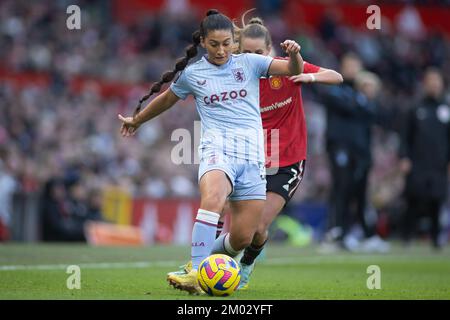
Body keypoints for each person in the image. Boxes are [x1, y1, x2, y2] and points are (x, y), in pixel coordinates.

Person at [118, 9, 304, 294]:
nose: (221, 50)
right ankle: (195, 269)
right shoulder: (193, 75)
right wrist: (138, 120)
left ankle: (203, 264)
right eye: (214, 44)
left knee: (243, 237)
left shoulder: (251, 63)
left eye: (227, 43)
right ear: (203, 42)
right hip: (218, 151)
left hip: (253, 161)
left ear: (234, 41)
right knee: (214, 197)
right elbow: (167, 99)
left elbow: (294, 71)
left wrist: (293, 54)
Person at [321, 53, 389, 252]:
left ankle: (356, 233)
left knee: (357, 192)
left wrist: (365, 100)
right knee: (341, 188)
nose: (352, 70)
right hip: (340, 147)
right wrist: (362, 100)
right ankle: (335, 232)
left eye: (355, 66)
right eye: (348, 65)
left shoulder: (364, 96)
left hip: (360, 150)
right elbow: (347, 107)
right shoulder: (335, 88)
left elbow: (377, 116)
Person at [399, 67, 450, 250]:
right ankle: (407, 237)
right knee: (413, 200)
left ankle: (436, 240)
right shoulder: (414, 107)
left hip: (439, 164)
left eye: (437, 81)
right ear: (425, 83)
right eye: (431, 80)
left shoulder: (446, 108)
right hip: (417, 163)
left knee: (437, 202)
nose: (434, 84)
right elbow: (405, 136)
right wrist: (404, 157)